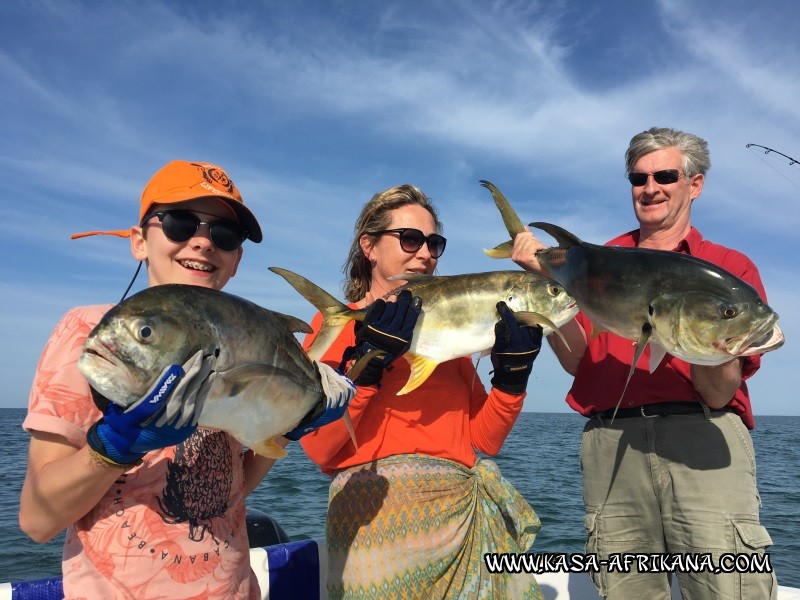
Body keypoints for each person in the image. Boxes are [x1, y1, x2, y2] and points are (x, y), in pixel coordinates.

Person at [19, 160, 355, 599]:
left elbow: (230, 493)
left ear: (235, 259)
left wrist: (289, 427)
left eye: (224, 235)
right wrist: (112, 448)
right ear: (139, 241)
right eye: (179, 223)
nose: (201, 241)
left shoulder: (244, 335)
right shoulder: (87, 331)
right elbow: (37, 520)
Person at [511, 127, 778, 599]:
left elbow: (719, 394)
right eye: (638, 178)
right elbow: (579, 364)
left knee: (726, 587)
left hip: (704, 439)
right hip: (612, 440)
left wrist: (708, 332)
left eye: (665, 175)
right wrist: (549, 293)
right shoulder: (594, 263)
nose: (650, 187)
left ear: (694, 184)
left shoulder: (729, 268)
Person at [299, 184, 546, 600]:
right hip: (372, 524)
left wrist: (512, 378)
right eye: (410, 239)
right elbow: (320, 449)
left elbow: (485, 439)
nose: (425, 253)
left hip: (460, 516)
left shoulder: (448, 339)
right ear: (369, 247)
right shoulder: (338, 333)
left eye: (435, 243)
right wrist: (365, 368)